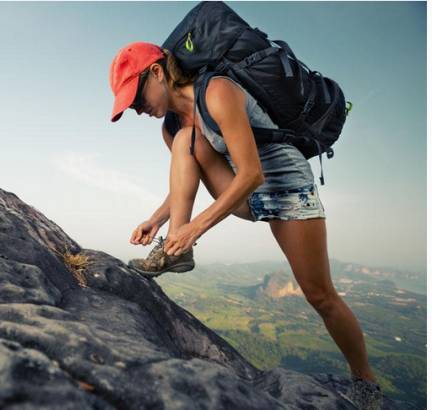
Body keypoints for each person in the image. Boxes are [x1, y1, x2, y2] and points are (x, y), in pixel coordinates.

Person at [109, 41, 383, 410]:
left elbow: (253, 173)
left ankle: (366, 381)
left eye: (136, 98)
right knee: (185, 141)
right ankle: (176, 252)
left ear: (157, 72)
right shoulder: (172, 127)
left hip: (285, 187)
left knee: (320, 294)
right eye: (130, 106)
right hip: (240, 190)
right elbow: (184, 179)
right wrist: (157, 221)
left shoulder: (218, 91)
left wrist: (196, 228)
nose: (138, 110)